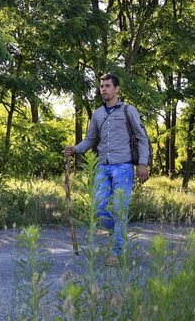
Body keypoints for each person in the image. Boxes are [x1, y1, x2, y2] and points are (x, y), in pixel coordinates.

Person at [64, 73, 150, 266]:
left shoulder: (129, 110)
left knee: (120, 210)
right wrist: (75, 149)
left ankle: (117, 253)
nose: (104, 89)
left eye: (108, 86)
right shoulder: (97, 114)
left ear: (117, 89)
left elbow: (142, 137)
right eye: (102, 86)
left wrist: (143, 164)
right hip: (102, 167)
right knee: (97, 207)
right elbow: (91, 139)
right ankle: (118, 232)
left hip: (124, 167)